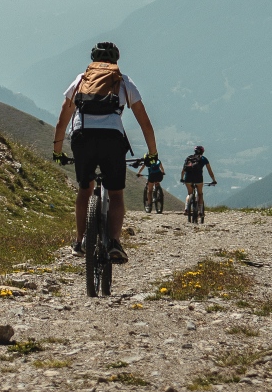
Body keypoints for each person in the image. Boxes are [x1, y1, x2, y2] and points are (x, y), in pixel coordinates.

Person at [52, 41, 157, 265]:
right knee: (116, 193)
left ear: (93, 60)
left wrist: (57, 150)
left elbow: (64, 117)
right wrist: (152, 153)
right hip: (112, 138)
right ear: (116, 61)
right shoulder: (123, 81)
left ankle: (80, 242)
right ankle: (114, 243)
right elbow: (145, 122)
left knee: (84, 189)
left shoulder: (81, 79)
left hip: (82, 136)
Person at [181, 145, 217, 216]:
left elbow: (183, 170)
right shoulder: (204, 159)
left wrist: (182, 178)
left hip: (188, 178)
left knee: (189, 193)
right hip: (198, 178)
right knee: (200, 194)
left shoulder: (189, 158)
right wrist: (213, 180)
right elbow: (210, 171)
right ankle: (200, 211)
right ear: (202, 152)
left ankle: (186, 209)